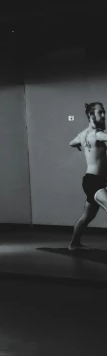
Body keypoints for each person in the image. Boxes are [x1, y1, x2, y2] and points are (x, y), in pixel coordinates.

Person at [69, 102, 107, 250]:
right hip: (94, 183)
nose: (104, 115)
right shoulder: (98, 134)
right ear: (91, 115)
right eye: (100, 113)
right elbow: (102, 136)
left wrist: (80, 145)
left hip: (92, 181)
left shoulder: (82, 134)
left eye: (104, 112)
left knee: (87, 217)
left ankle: (74, 244)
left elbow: (71, 142)